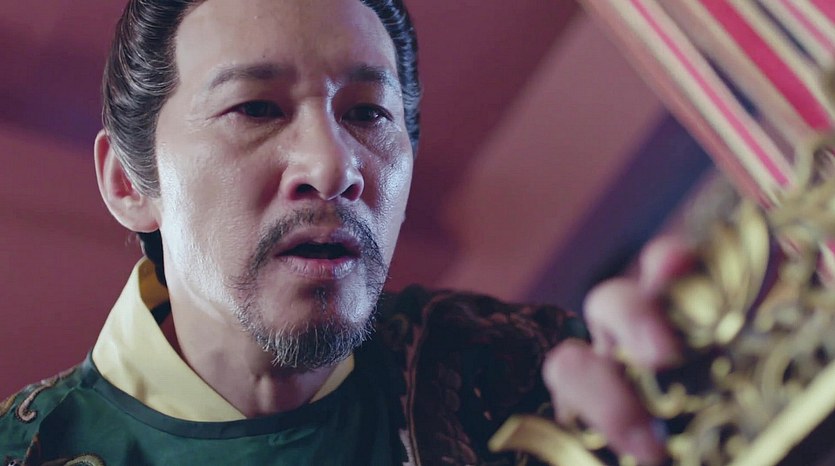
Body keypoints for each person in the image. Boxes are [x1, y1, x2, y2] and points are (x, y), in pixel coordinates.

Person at [0, 0, 684, 464]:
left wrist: (679, 402)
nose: (333, 167)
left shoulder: (515, 373)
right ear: (128, 182)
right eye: (255, 108)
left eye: (368, 114)